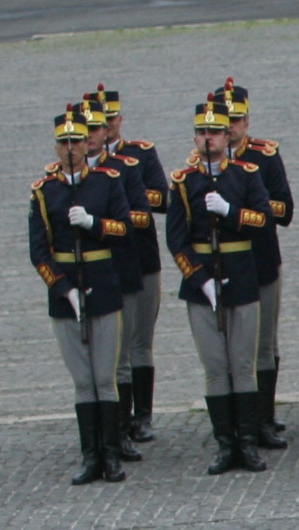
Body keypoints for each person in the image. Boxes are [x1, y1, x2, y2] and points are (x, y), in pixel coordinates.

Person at [28, 102, 137, 485]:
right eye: (64, 142)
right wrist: (62, 287)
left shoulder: (107, 181)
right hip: (65, 292)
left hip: (103, 283)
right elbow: (38, 251)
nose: (72, 147)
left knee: (104, 376)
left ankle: (110, 454)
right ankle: (89, 454)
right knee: (82, 379)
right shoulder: (44, 192)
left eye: (77, 140)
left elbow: (126, 229)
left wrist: (94, 223)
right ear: (56, 148)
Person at [165, 95, 270, 476]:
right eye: (201, 132)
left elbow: (263, 221)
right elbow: (175, 240)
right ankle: (225, 443)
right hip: (201, 282)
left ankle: (247, 441)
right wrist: (198, 278)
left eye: (215, 132)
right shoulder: (183, 182)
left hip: (240, 274)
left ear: (228, 137)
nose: (208, 138)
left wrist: (231, 212)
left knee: (242, 364)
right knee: (214, 365)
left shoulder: (245, 175)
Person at [85, 87, 167, 454]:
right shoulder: (73, 170)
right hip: (100, 266)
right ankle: (115, 422)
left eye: (107, 121)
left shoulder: (135, 159)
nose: (101, 129)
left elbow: (157, 202)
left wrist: (112, 208)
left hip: (138, 258)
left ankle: (141, 415)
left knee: (138, 343)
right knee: (110, 352)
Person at [220, 80, 297, 448]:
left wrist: (253, 207)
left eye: (237, 119)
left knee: (264, 343)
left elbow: (284, 210)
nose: (231, 126)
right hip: (224, 265)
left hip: (261, 257)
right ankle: (236, 418)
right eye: (225, 121)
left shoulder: (265, 156)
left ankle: (264, 417)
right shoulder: (201, 165)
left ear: (247, 121)